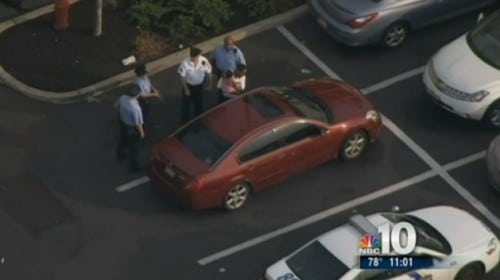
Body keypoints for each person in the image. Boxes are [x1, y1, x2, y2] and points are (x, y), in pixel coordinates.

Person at [115, 85, 145, 172]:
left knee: (122, 141)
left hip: (123, 124)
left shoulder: (122, 98)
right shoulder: (136, 108)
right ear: (137, 95)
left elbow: (116, 107)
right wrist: (142, 133)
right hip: (132, 130)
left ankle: (120, 155)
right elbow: (138, 123)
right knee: (134, 148)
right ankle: (134, 167)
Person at [178, 47, 212, 124]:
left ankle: (199, 120)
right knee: (186, 105)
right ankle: (185, 123)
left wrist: (209, 84)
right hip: (189, 86)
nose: (195, 58)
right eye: (193, 57)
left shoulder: (203, 61)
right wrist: (186, 89)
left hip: (199, 86)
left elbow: (209, 73)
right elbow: (182, 77)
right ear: (191, 56)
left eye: (196, 56)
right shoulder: (185, 63)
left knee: (199, 104)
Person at [211, 36, 247, 103]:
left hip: (233, 74)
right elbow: (213, 59)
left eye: (230, 45)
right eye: (226, 45)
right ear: (224, 44)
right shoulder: (218, 50)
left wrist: (236, 76)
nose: (228, 47)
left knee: (234, 92)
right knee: (221, 90)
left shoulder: (237, 52)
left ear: (233, 44)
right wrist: (215, 71)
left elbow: (243, 66)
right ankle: (221, 102)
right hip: (221, 73)